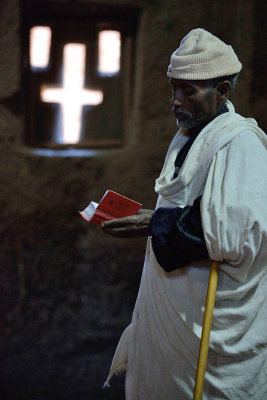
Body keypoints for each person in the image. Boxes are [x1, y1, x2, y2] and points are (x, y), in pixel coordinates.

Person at [102, 28, 267, 399]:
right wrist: (151, 217)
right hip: (176, 320)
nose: (175, 101)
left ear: (222, 90)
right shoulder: (190, 137)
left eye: (187, 91)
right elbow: (193, 212)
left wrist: (155, 222)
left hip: (210, 333)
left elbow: (242, 230)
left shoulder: (240, 144)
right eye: (174, 88)